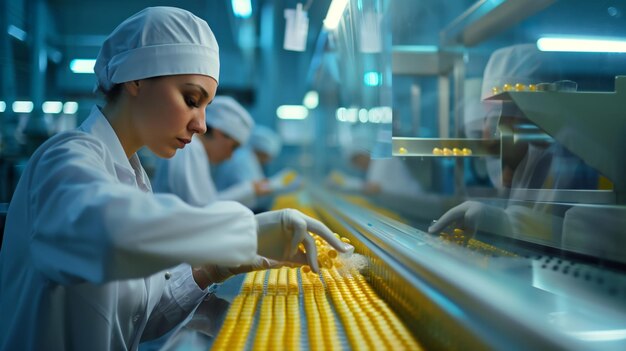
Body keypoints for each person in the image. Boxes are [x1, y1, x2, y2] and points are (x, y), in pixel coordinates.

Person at [0, 7, 351, 351]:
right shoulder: (62, 159)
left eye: (205, 107)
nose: (201, 125)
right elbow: (107, 233)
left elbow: (141, 319)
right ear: (135, 78)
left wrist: (211, 270)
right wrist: (244, 232)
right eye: (191, 99)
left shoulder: (131, 179)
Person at [429, 44, 597, 245]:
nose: (491, 133)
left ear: (536, 113)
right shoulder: (524, 166)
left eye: (505, 113)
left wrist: (503, 224)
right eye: (490, 116)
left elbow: (583, 240)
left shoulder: (572, 158)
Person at [151, 95, 263, 208]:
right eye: (233, 147)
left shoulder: (196, 151)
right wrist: (248, 190)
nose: (230, 156)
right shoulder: (190, 148)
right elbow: (201, 209)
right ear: (218, 133)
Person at [213, 125, 300, 210]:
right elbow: (252, 189)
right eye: (268, 156)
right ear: (262, 150)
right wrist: (274, 185)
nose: (268, 161)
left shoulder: (249, 158)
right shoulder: (243, 159)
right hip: (226, 209)